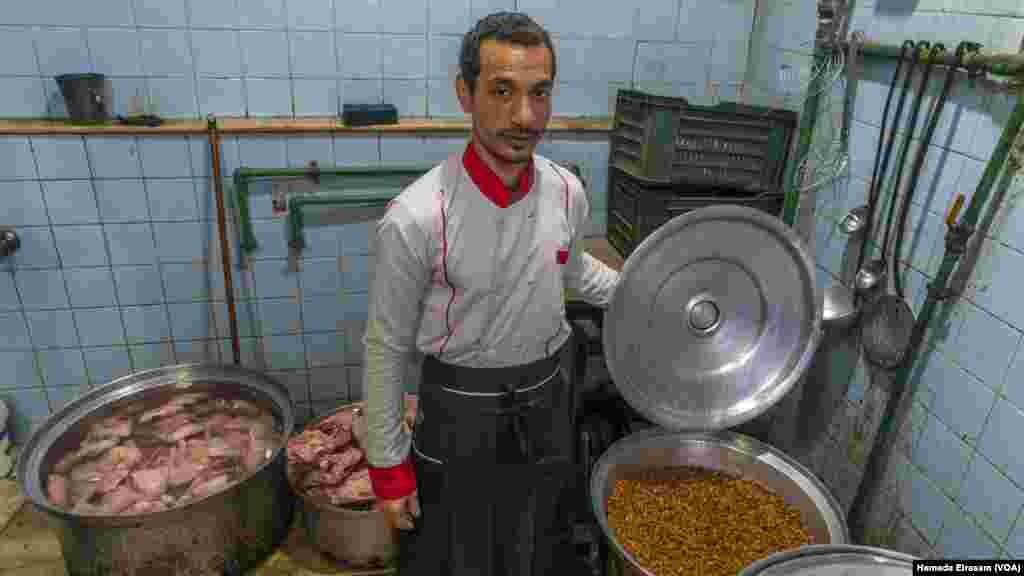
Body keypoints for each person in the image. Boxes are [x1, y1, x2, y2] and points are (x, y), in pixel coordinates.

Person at [361, 11, 620, 575]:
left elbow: (571, 273)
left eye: (539, 93)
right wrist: (388, 468)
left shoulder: (567, 191)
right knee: (458, 551)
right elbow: (385, 347)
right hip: (460, 411)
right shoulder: (417, 216)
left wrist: (639, 292)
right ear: (466, 94)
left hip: (549, 396)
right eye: (501, 91)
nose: (524, 116)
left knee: (537, 537)